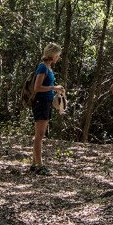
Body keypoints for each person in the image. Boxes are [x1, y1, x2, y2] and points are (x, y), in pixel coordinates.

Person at [31, 43, 65, 176]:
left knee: (40, 134)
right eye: (58, 55)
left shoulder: (48, 68)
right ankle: (39, 165)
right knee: (39, 135)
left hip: (46, 102)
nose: (58, 57)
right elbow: (37, 87)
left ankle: (34, 163)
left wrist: (56, 90)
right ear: (53, 55)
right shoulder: (42, 67)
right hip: (40, 102)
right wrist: (54, 88)